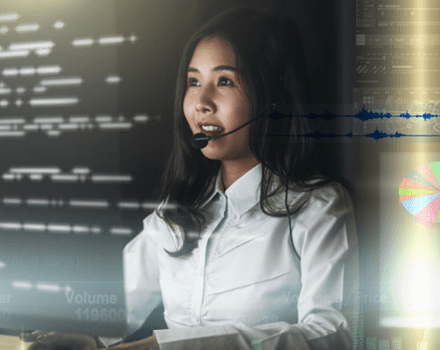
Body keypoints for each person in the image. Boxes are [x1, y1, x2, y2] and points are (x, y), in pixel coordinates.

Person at [22, 6, 359, 350]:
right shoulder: (182, 207)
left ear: (274, 101)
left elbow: (332, 334)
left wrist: (165, 346)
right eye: (193, 82)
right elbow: (119, 297)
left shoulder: (318, 206)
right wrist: (83, 335)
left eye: (224, 81)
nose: (201, 102)